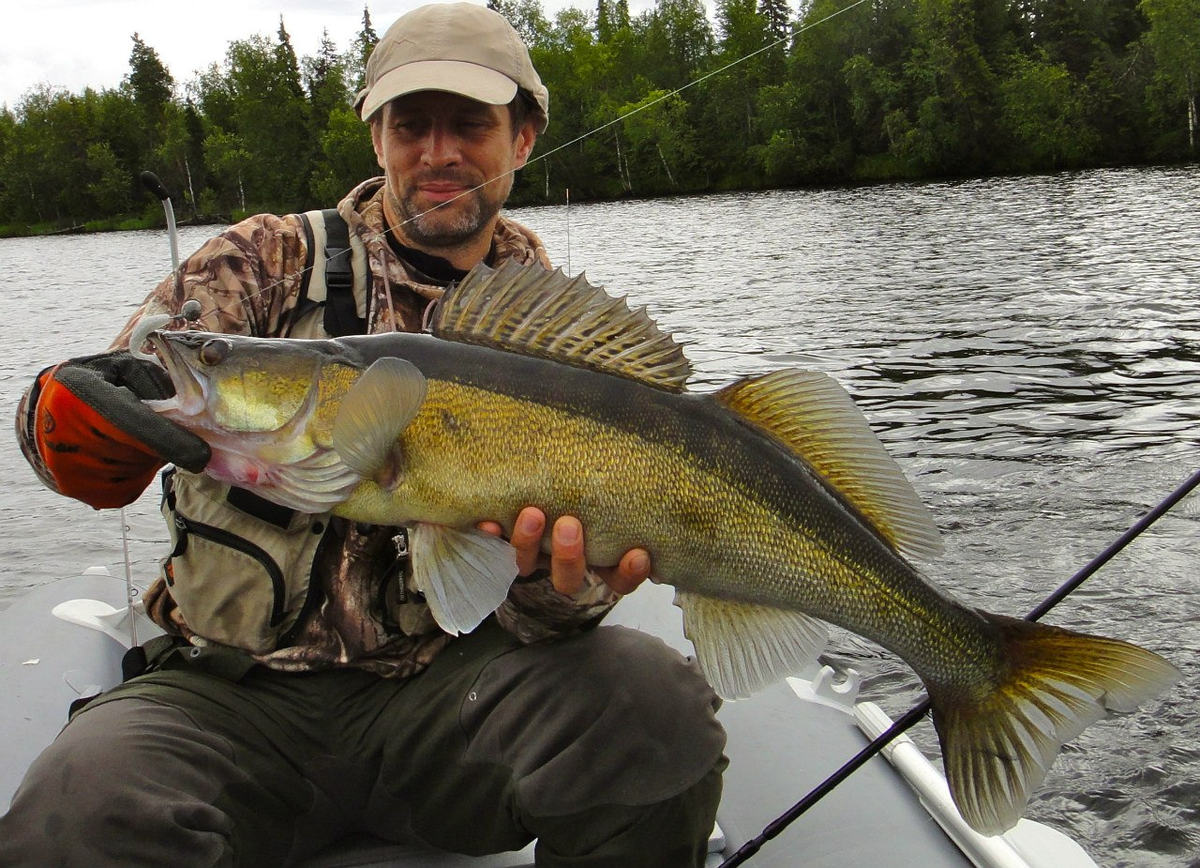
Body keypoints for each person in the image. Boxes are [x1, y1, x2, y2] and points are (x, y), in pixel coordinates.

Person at [0, 5, 726, 867]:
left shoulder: (553, 331)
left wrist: (563, 586)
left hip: (446, 713)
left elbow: (546, 618)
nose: (438, 152)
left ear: (524, 138)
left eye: (471, 124)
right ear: (376, 136)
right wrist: (67, 421)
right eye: (410, 124)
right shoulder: (262, 262)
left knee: (655, 712)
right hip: (229, 704)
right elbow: (113, 390)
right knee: (76, 810)